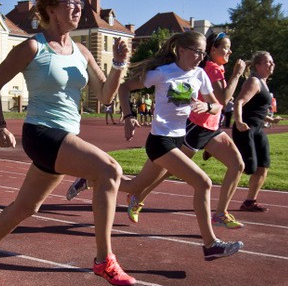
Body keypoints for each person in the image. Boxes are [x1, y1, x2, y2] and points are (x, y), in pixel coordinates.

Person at [0, 0, 135, 286]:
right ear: (50, 9)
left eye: (78, 2)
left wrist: (117, 65)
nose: (77, 8)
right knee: (110, 170)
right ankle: (104, 260)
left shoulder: (82, 52)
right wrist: (0, 125)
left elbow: (105, 96)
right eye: (69, 2)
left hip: (66, 136)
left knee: (26, 207)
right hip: (42, 133)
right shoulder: (32, 47)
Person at [92, 32, 248, 229]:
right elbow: (125, 87)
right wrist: (129, 117)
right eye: (197, 52)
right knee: (200, 181)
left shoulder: (200, 73)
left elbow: (217, 105)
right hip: (169, 137)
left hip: (190, 134)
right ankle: (210, 242)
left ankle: (93, 179)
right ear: (182, 50)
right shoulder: (165, 72)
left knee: (136, 185)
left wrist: (207, 107)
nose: (201, 57)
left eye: (202, 53)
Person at [233, 51, 282, 212]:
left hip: (258, 130)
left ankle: (250, 202)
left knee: (263, 166)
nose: (271, 64)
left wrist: (270, 119)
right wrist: (239, 121)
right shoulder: (254, 81)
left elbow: (256, 110)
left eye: (272, 62)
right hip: (245, 129)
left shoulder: (264, 83)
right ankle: (218, 151)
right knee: (249, 168)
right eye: (268, 62)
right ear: (258, 65)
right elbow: (239, 102)